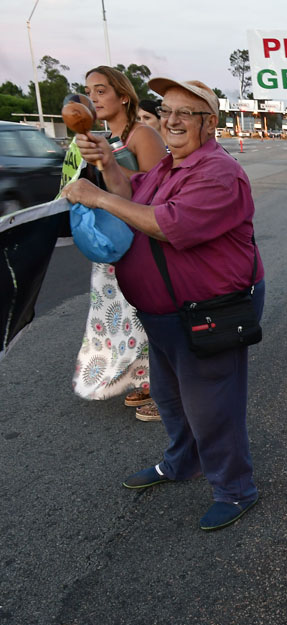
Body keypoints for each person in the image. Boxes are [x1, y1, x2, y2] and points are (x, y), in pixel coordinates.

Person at [62, 77, 265, 531]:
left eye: (185, 113)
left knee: (213, 402)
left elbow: (163, 224)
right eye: (166, 109)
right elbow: (136, 193)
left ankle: (235, 489)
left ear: (210, 123)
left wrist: (96, 196)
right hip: (163, 313)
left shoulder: (218, 172)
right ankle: (182, 461)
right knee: (171, 396)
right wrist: (108, 164)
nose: (171, 120)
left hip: (208, 310)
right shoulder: (171, 164)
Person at [72, 66, 167, 422]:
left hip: (142, 239)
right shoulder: (96, 137)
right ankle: (144, 378)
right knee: (123, 319)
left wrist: (108, 164)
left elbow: (157, 189)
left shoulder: (141, 135)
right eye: (88, 91)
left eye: (101, 90)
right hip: (112, 240)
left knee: (150, 317)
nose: (93, 98)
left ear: (123, 95)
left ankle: (166, 392)